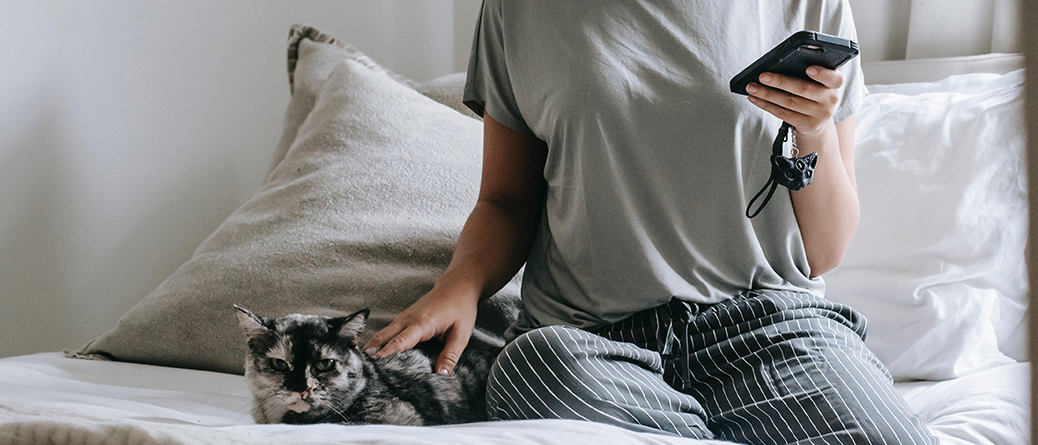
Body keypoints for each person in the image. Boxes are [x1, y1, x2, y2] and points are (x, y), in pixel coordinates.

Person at [366, 1, 937, 443]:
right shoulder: (518, 10)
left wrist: (813, 132)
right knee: (530, 370)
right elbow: (505, 201)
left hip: (772, 330)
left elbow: (826, 251)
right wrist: (459, 285)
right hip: (590, 346)